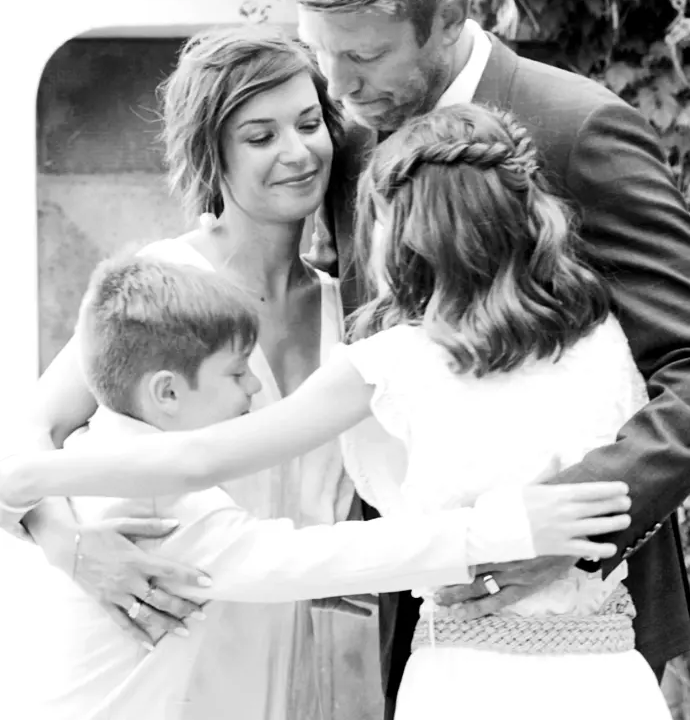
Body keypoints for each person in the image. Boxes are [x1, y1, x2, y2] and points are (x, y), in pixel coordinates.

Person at [1, 104, 667, 720]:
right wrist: (506, 529)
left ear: (397, 237)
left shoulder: (391, 360)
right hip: (611, 674)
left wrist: (33, 482)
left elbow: (210, 463)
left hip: (469, 676)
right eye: (240, 372)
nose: (256, 388)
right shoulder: (602, 336)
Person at [273, 0, 690, 713]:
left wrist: (560, 528)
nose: (342, 88)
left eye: (363, 54)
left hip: (585, 633)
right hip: (421, 632)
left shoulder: (580, 131)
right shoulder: (351, 146)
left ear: (453, 16)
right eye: (322, 53)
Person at [5, 28, 360, 720]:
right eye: (260, 135)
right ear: (213, 152)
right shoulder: (164, 283)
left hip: (315, 651)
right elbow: (22, 432)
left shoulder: (351, 308)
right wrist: (72, 547)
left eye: (309, 123)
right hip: (165, 633)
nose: (296, 151)